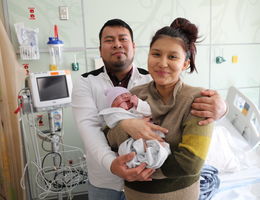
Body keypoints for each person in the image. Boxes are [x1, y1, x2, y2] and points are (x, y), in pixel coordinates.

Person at [71, 18, 227, 200]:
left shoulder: (155, 81)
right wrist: (126, 127)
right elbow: (93, 131)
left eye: (123, 39)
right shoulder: (87, 82)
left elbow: (190, 163)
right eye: (109, 40)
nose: (117, 45)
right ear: (99, 49)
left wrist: (223, 108)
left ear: (134, 47)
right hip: (106, 179)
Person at [106, 17, 214, 200]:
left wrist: (137, 170)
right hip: (136, 194)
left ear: (185, 63)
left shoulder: (197, 100)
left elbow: (190, 163)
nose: (162, 63)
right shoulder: (134, 95)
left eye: (172, 57)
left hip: (178, 195)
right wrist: (126, 125)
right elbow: (109, 136)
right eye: (156, 54)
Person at [99, 86, 171, 169]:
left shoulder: (139, 107)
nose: (125, 96)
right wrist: (121, 110)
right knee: (125, 150)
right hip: (132, 139)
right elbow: (112, 122)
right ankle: (140, 156)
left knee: (164, 148)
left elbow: (151, 112)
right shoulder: (113, 113)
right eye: (119, 97)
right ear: (113, 106)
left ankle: (154, 155)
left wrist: (139, 104)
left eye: (127, 94)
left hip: (150, 132)